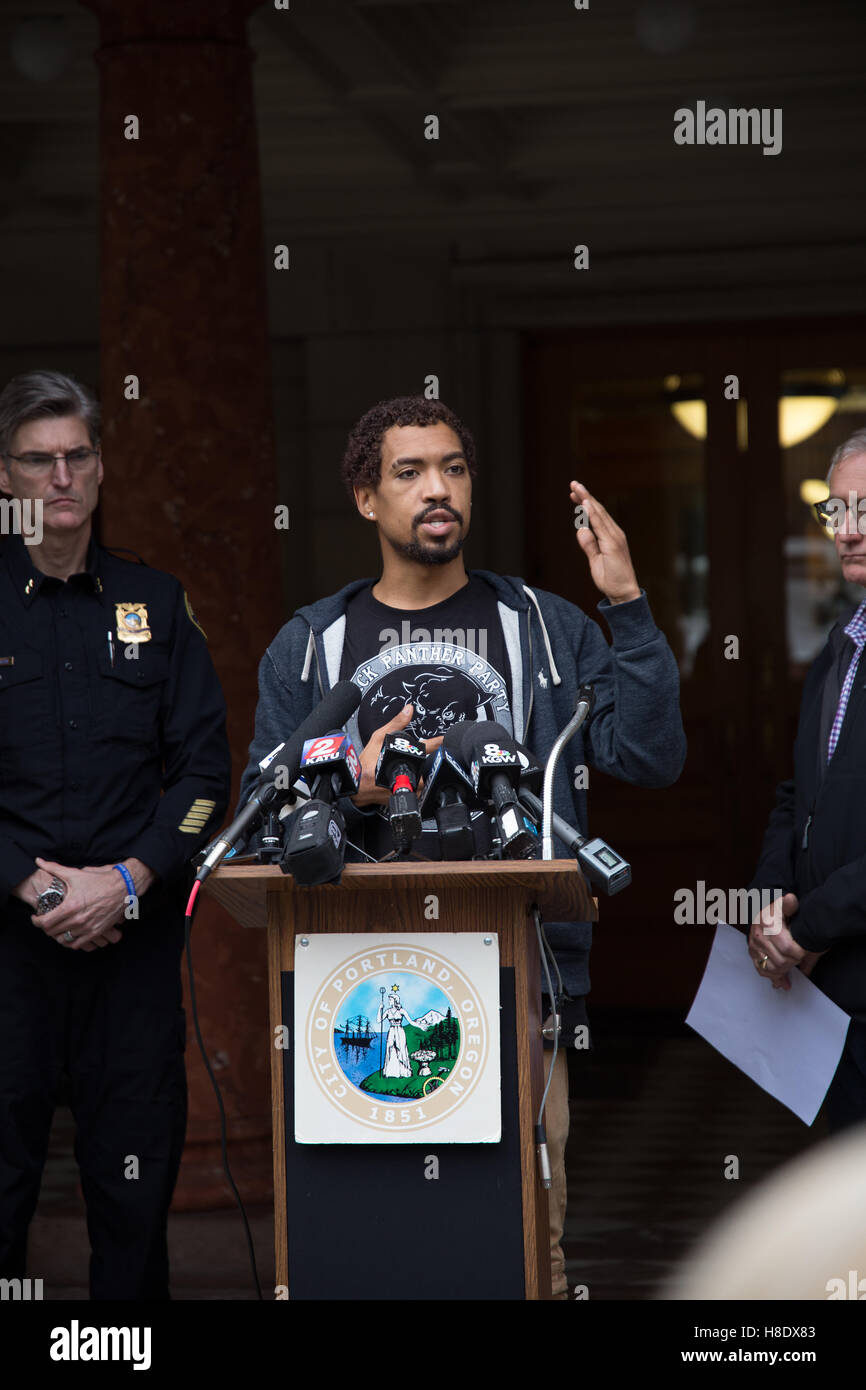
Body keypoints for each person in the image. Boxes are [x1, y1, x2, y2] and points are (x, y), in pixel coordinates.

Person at [240, 395, 686, 1298]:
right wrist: (342, 786)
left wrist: (627, 606)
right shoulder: (311, 645)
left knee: (522, 1248)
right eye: (408, 473)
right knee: (370, 1244)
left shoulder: (546, 631)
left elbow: (650, 754)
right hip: (353, 985)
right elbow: (259, 803)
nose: (436, 489)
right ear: (366, 499)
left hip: (524, 978)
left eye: (452, 469)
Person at [0, 370, 231, 1300]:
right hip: (7, 957)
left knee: (131, 1208)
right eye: (38, 460)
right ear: (5, 478)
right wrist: (35, 885)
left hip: (129, 957)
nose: (61, 476)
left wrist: (128, 880)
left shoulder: (158, 605)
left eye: (78, 456)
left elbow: (206, 783)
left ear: (100, 468)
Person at [748, 426, 866, 1133]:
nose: (848, 531)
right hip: (825, 1001)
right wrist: (769, 908)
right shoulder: (842, 644)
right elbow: (798, 795)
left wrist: (810, 926)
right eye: (836, 510)